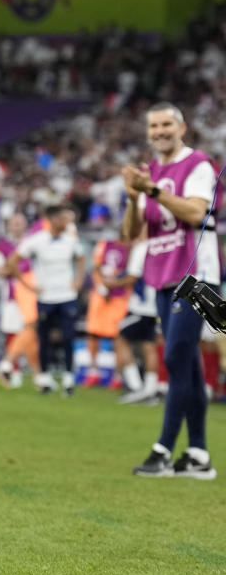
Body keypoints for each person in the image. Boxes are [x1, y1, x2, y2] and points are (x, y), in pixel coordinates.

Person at [122, 102, 217, 479]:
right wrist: (133, 196)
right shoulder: (152, 172)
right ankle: (198, 456)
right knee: (186, 364)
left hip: (195, 275)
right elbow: (131, 233)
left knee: (176, 356)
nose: (159, 131)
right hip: (163, 276)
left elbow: (196, 213)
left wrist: (153, 190)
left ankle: (163, 450)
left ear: (182, 127)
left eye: (166, 124)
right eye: (153, 126)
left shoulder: (198, 165)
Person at [7, 205, 85, 395]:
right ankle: (44, 376)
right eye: (63, 217)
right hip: (46, 297)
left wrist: (78, 280)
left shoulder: (70, 240)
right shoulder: (37, 240)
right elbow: (13, 261)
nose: (66, 221)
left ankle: (68, 378)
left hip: (67, 296)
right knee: (44, 338)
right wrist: (28, 286)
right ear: (53, 219)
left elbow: (81, 258)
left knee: (68, 337)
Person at [106, 239, 160, 404]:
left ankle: (135, 387)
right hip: (156, 304)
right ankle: (150, 390)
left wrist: (112, 283)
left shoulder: (141, 248)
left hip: (141, 306)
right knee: (149, 346)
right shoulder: (159, 245)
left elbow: (132, 278)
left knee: (120, 339)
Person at [0, 213, 40, 389]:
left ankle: (32, 372)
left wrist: (10, 269)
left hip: (32, 294)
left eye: (20, 223)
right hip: (11, 295)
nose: (17, 226)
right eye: (14, 223)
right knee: (12, 332)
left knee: (30, 333)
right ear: (9, 226)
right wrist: (17, 271)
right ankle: (14, 370)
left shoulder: (33, 244)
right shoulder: (3, 246)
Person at [83, 236, 132, 387]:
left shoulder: (131, 249)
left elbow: (131, 273)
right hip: (100, 295)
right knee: (93, 333)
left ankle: (117, 376)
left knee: (118, 336)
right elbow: (96, 267)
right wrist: (102, 287)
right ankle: (93, 371)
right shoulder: (104, 244)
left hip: (120, 297)